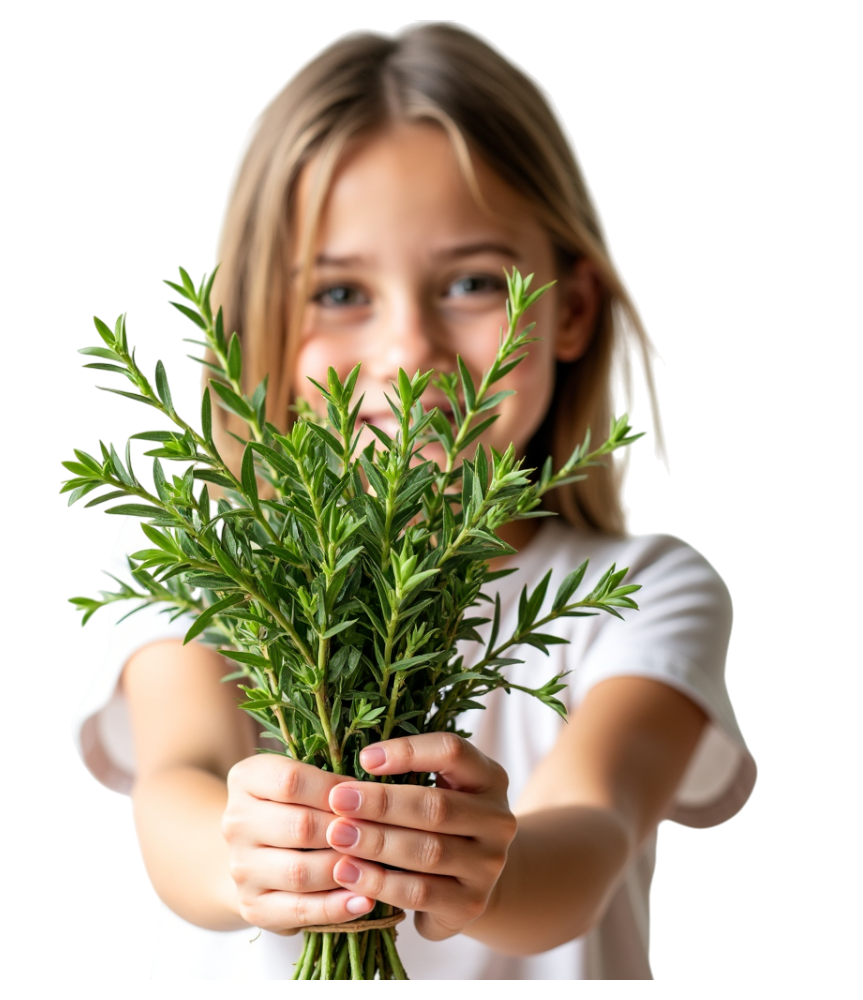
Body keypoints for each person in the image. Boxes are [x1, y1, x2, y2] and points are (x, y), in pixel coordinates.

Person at [71, 22, 756, 980]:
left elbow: (592, 824)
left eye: (474, 283)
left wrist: (486, 868)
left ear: (568, 310)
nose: (410, 352)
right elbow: (181, 779)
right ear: (253, 326)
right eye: (341, 293)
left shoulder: (647, 587)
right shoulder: (197, 544)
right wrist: (244, 854)